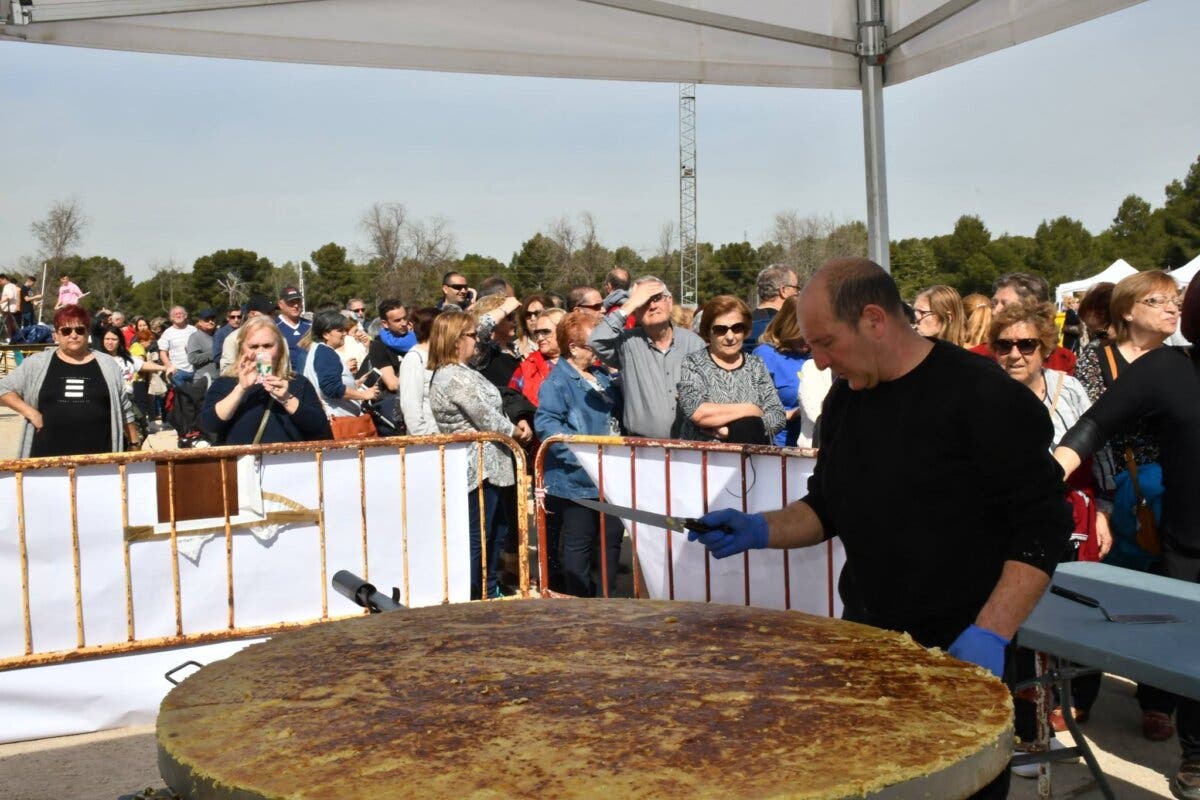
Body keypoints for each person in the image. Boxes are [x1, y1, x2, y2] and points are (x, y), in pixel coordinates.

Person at [687, 258, 1073, 800]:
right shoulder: (849, 396)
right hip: (865, 642)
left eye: (826, 342)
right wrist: (758, 529)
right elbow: (828, 506)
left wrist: (992, 632)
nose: (818, 359)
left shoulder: (981, 395)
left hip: (961, 648)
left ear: (874, 319)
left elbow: (1044, 527)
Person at [1054, 278, 1200, 800]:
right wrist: (1046, 478)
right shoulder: (1169, 368)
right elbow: (1094, 426)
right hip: (1187, 544)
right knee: (1192, 651)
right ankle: (1197, 754)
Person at [988, 301, 1108, 775]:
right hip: (1001, 528)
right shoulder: (982, 393)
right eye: (1004, 344)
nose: (1015, 354)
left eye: (1026, 344)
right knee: (1015, 633)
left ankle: (1050, 720)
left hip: (1064, 524)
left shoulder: (1070, 389)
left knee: (1059, 626)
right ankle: (1027, 733)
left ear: (1045, 347)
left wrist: (1102, 509)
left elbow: (1096, 457)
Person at [1071, 270, 1181, 742]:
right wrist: (1099, 506)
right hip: (1112, 493)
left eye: (1176, 300)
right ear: (1128, 310)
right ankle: (1080, 692)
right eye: (1160, 300)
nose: (1173, 308)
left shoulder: (1182, 363)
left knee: (1165, 595)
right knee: (1099, 594)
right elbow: (1087, 432)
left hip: (1171, 494)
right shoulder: (1094, 362)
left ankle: (1157, 700)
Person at [428, 312, 533, 599]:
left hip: (492, 464)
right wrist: (518, 431)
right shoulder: (453, 377)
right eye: (472, 335)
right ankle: (477, 592)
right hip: (476, 468)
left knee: (494, 532)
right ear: (454, 340)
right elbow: (488, 418)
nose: (478, 340)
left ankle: (489, 586)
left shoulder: (465, 370)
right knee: (479, 537)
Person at [534, 311, 623, 597]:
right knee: (579, 544)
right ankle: (581, 607)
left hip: (609, 479)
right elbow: (548, 427)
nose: (598, 350)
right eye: (592, 344)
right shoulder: (556, 383)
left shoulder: (602, 378)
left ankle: (606, 603)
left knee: (610, 543)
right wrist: (583, 457)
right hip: (577, 481)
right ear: (573, 347)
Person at [0, 305, 138, 456]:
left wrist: (134, 443)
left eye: (79, 330)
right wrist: (31, 413)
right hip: (46, 461)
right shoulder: (36, 363)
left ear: (87, 332)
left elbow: (124, 408)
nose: (73, 335)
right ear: (56, 335)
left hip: (100, 462)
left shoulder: (108, 364)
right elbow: (3, 389)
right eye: (66, 331)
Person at [589, 276, 705, 438]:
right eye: (643, 302)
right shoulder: (626, 343)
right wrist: (629, 305)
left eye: (657, 298)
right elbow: (596, 341)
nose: (652, 306)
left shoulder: (694, 343)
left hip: (689, 446)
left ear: (669, 302)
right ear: (635, 312)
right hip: (643, 450)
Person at [200, 316, 331, 445]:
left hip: (288, 461)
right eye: (253, 346)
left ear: (279, 348)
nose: (260, 352)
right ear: (241, 349)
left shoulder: (298, 383)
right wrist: (240, 389)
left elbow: (319, 427)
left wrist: (287, 398)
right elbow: (209, 425)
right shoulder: (225, 383)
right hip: (242, 463)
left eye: (268, 346)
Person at [677, 295, 785, 444]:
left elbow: (777, 416)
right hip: (704, 460)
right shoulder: (693, 363)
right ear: (708, 332)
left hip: (749, 461)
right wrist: (752, 409)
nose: (730, 336)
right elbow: (699, 413)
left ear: (746, 330)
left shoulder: (756, 365)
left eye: (737, 328)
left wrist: (731, 432)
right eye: (720, 330)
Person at [971, 272, 1076, 374]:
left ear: (1033, 310)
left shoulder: (1063, 360)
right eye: (994, 304)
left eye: (1005, 304)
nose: (995, 311)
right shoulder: (976, 358)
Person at [752, 295, 820, 447]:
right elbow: (753, 407)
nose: (807, 343)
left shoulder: (818, 355)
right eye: (801, 336)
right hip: (780, 447)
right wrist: (789, 414)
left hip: (816, 444)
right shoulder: (766, 355)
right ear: (788, 327)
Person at [300, 310, 380, 419]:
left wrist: (355, 383)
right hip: (339, 420)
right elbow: (331, 388)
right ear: (326, 334)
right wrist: (364, 395)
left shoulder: (317, 349)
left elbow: (325, 384)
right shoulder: (325, 352)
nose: (344, 334)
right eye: (340, 330)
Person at [510, 307, 565, 407]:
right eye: (537, 333)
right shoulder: (527, 367)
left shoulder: (583, 360)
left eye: (546, 332)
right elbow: (512, 401)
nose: (539, 338)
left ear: (563, 331)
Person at [398, 308, 439, 435]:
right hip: (430, 441)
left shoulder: (441, 355)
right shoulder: (414, 358)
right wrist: (424, 437)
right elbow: (410, 406)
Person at [744, 264, 799, 352]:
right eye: (796, 288)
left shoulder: (743, 324)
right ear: (783, 290)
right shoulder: (787, 327)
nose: (797, 292)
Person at [221, 295, 275, 372]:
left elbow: (285, 368)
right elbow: (225, 372)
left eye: (273, 313)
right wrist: (247, 370)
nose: (272, 317)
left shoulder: (279, 338)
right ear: (252, 314)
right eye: (269, 313)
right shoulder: (233, 339)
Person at [158, 306, 197, 387]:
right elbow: (162, 353)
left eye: (181, 313)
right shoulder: (167, 333)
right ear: (171, 318)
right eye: (176, 314)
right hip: (178, 371)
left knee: (196, 397)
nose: (179, 316)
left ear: (185, 315)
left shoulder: (193, 330)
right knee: (182, 398)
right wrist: (170, 367)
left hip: (195, 370)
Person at [186, 309, 220, 386]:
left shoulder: (220, 334)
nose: (210, 322)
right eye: (207, 320)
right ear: (200, 322)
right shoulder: (195, 337)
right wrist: (212, 354)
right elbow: (192, 358)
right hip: (203, 381)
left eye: (212, 319)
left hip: (221, 378)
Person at [514, 294, 549, 359]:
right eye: (528, 314)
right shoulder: (516, 348)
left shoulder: (558, 342)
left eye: (537, 313)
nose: (532, 318)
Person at [0, 274, 21, 341]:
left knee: (9, 324)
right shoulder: (13, 285)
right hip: (12, 308)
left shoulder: (7, 286)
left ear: (3, 279)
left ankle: (10, 338)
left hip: (8, 309)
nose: (0, 283)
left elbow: (10, 296)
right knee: (11, 324)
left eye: (0, 281)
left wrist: (1, 302)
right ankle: (13, 338)